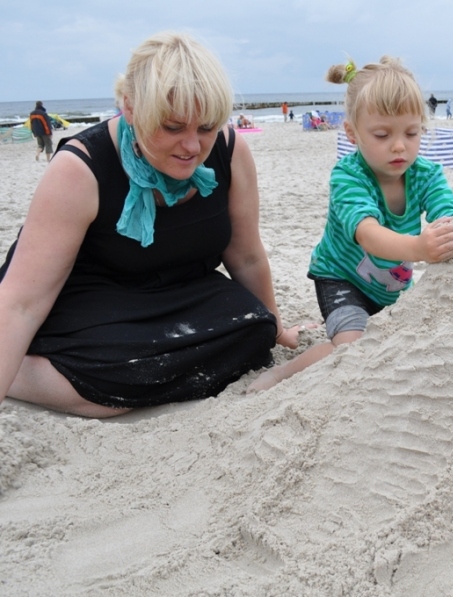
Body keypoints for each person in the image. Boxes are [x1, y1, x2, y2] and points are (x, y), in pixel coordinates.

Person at [0, 32, 299, 418]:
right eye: (173, 127)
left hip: (178, 288)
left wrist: (276, 328)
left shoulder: (230, 150)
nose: (192, 146)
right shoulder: (79, 168)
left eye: (206, 126)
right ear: (130, 107)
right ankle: (23, 374)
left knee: (254, 331)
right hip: (88, 297)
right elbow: (21, 303)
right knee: (117, 376)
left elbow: (246, 256)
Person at [246, 56, 453, 393]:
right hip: (342, 278)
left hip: (391, 286)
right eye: (382, 134)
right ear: (353, 133)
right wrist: (419, 248)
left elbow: (445, 209)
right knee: (351, 346)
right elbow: (368, 234)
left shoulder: (427, 174)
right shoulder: (349, 176)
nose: (399, 145)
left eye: (412, 132)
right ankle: (280, 376)